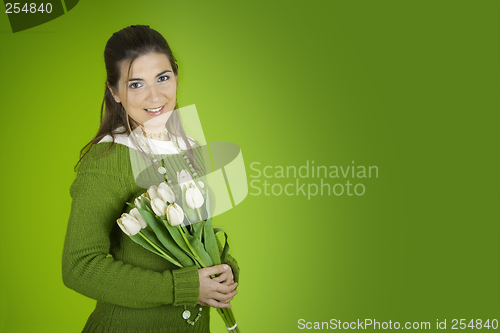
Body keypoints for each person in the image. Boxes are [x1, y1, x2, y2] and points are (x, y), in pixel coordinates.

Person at [62, 25, 239, 333]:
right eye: (136, 84)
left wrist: (224, 270)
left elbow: (197, 237)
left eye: (162, 78)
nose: (155, 96)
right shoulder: (109, 160)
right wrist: (184, 288)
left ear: (176, 76)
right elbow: (79, 267)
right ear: (114, 92)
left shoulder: (188, 147)